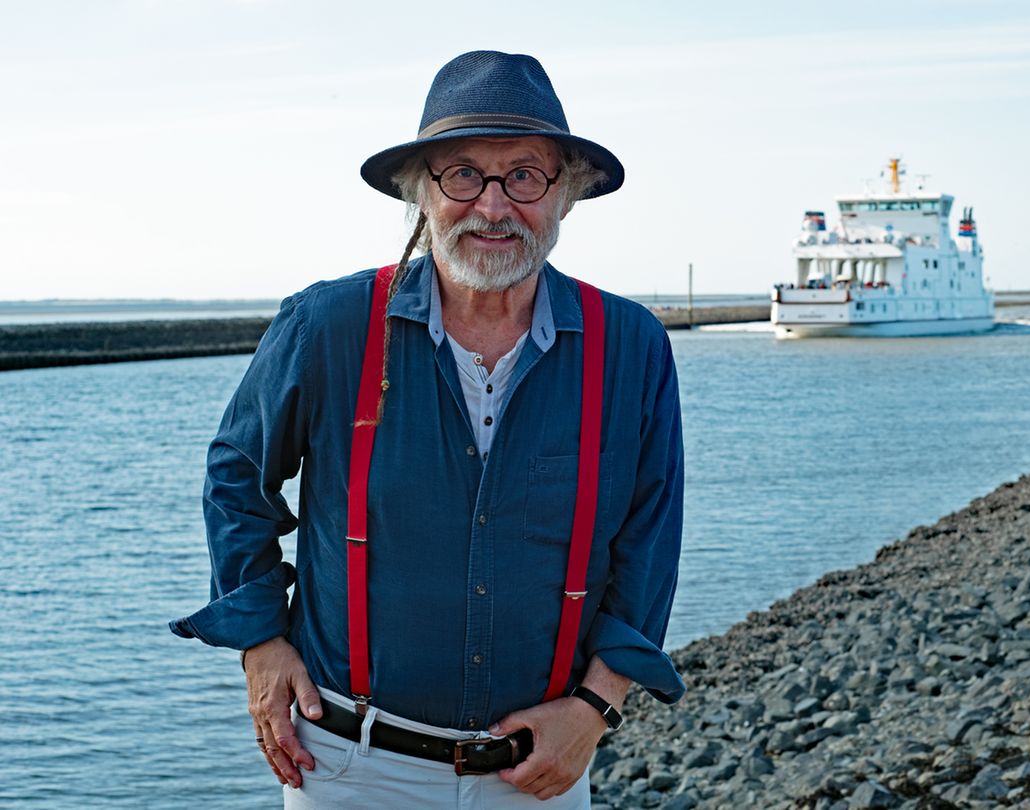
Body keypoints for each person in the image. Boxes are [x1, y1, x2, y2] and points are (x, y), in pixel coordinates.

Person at [170, 51, 685, 808]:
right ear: (421, 191)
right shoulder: (329, 325)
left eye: (525, 175)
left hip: (537, 773)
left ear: (566, 194)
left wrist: (596, 707)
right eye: (463, 175)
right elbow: (236, 475)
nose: (494, 207)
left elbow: (650, 535)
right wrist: (260, 641)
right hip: (345, 769)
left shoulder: (631, 346)